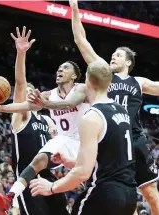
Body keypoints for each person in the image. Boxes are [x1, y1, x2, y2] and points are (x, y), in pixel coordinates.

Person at [27, 1, 159, 214]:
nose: (113, 56)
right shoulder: (103, 74)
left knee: (151, 194)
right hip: (109, 136)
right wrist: (74, 9)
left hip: (132, 138)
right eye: (113, 54)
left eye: (119, 55)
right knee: (108, 189)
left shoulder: (138, 82)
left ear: (128, 62)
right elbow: (80, 40)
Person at [29, 60, 137, 215]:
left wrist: (51, 187)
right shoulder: (122, 112)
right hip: (130, 196)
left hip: (104, 195)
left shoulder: (92, 117)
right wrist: (71, 162)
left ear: (88, 81)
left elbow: (83, 173)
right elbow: (108, 160)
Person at [0, 27, 69, 215]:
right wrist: (21, 53)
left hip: (48, 177)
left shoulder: (49, 121)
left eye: (33, 92)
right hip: (26, 180)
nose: (30, 95)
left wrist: (60, 160)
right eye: (26, 94)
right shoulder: (21, 116)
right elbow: (21, 83)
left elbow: (58, 152)